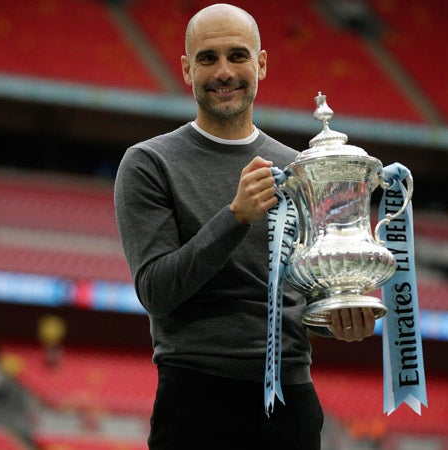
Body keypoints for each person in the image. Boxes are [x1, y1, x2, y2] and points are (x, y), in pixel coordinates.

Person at [114, 4, 376, 449]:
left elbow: (305, 295)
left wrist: (341, 314)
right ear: (185, 69)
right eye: (207, 58)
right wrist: (234, 217)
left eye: (238, 55)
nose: (223, 72)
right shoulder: (149, 163)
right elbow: (156, 292)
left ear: (262, 63)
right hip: (197, 399)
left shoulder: (300, 169)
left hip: (290, 397)